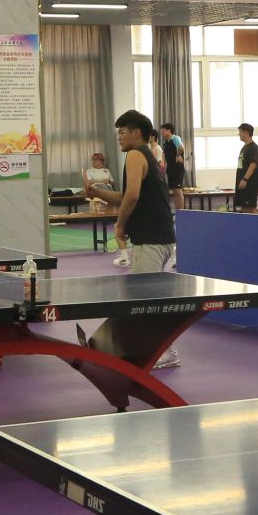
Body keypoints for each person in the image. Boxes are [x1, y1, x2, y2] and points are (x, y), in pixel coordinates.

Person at [84, 109, 180, 366]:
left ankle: (165, 352)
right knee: (143, 297)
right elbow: (126, 195)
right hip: (155, 238)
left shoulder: (136, 155)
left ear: (137, 133)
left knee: (144, 300)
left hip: (153, 239)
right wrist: (97, 191)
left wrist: (120, 224)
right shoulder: (144, 155)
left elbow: (133, 196)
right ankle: (148, 349)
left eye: (123, 132)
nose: (119, 137)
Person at [232, 123, 258, 212]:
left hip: (249, 184)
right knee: (244, 208)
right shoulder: (244, 147)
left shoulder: (253, 147)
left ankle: (256, 222)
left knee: (251, 208)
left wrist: (245, 179)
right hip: (242, 184)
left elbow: (253, 164)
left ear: (246, 133)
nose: (239, 134)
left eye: (240, 132)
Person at [159, 122, 187, 207]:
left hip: (177, 168)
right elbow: (165, 155)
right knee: (174, 191)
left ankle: (181, 212)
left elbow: (181, 147)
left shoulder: (175, 138)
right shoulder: (166, 141)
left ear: (169, 130)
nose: (162, 132)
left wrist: (177, 155)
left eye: (163, 130)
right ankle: (178, 211)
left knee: (178, 191)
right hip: (170, 168)